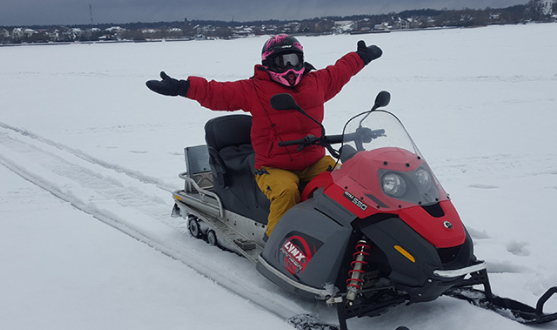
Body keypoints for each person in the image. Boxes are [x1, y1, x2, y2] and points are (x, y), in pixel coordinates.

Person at [146, 34, 382, 239]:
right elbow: (216, 92)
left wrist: (361, 56)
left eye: (293, 60)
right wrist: (182, 87)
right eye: (281, 62)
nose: (289, 68)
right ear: (269, 64)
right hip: (273, 166)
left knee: (348, 183)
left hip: (314, 160)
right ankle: (276, 240)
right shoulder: (254, 89)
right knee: (287, 192)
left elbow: (341, 71)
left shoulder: (317, 83)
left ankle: (351, 236)